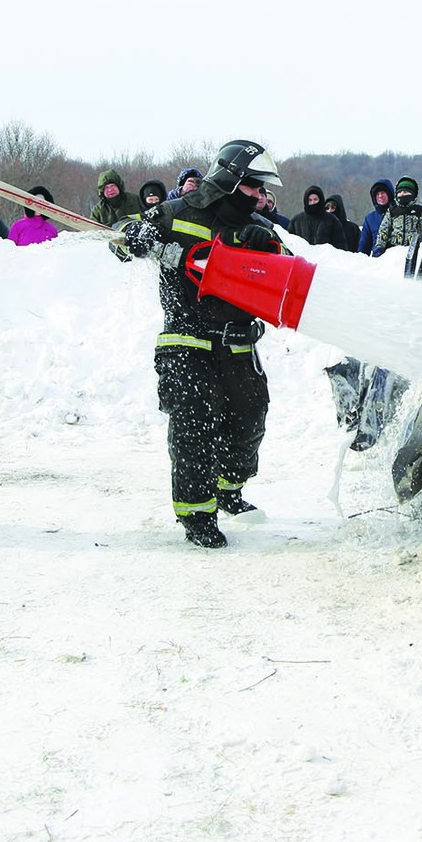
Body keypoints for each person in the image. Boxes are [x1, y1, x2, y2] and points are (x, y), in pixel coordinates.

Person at [119, 139, 289, 548]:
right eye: (254, 187)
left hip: (239, 347)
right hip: (186, 341)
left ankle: (228, 488)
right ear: (232, 180)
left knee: (249, 419)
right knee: (195, 425)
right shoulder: (179, 211)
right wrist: (141, 240)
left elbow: (287, 275)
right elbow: (122, 239)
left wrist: (269, 249)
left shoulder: (261, 230)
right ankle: (197, 515)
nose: (260, 197)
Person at [370, 175, 422, 257]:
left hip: (414, 250)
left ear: (413, 194)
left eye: (405, 192)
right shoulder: (392, 211)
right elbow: (384, 229)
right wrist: (379, 246)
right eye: (400, 192)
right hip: (394, 250)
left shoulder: (419, 210)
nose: (402, 194)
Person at [289, 184, 346, 248]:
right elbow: (289, 244)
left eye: (315, 199)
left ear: (320, 200)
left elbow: (340, 245)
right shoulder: (296, 221)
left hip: (326, 257)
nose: (313, 203)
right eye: (310, 200)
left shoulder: (332, 220)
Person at [356, 178, 393, 257]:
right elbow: (364, 246)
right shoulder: (370, 219)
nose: (380, 196)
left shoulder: (400, 214)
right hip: (377, 263)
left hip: (397, 261)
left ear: (389, 194)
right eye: (377, 194)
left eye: (383, 193)